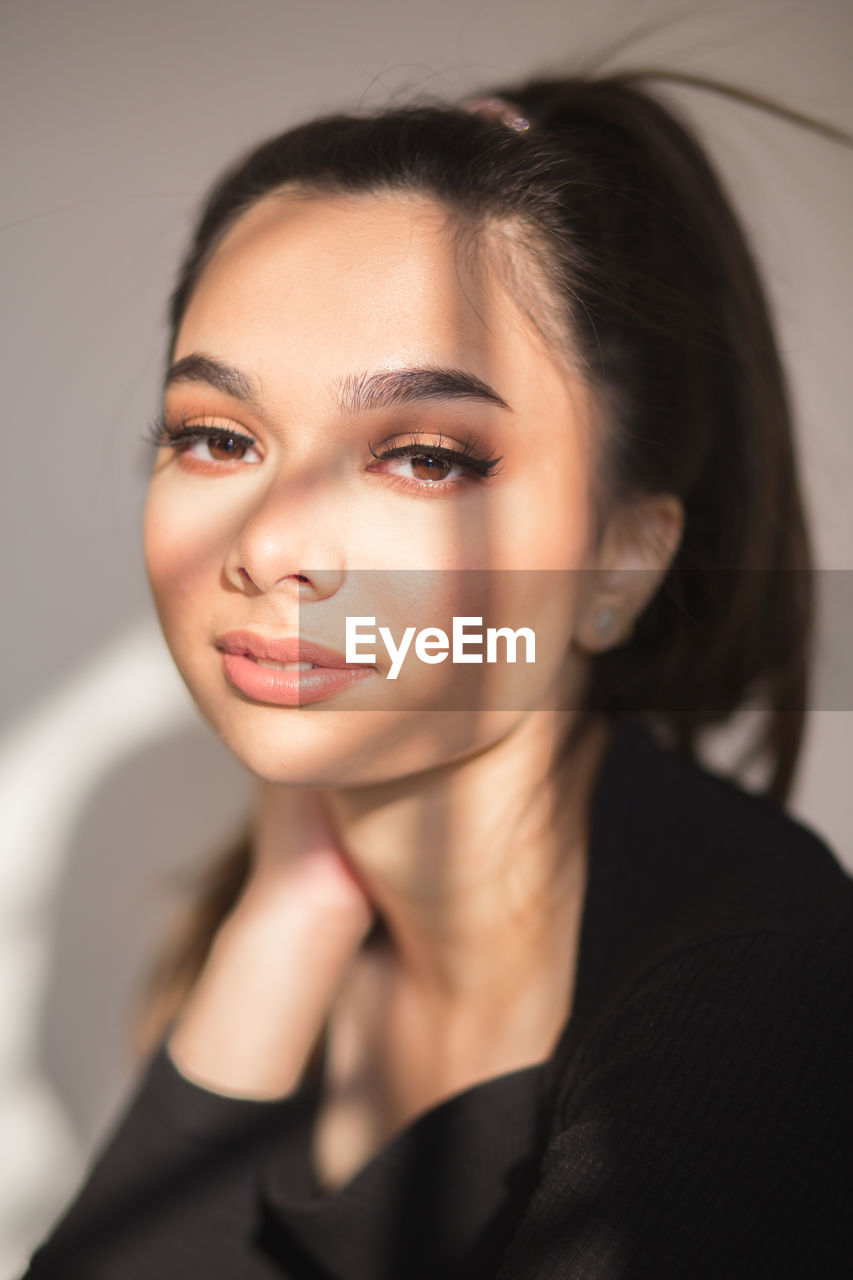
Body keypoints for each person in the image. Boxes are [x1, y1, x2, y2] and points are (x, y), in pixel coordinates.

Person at [22, 68, 853, 1279]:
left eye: (423, 455)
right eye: (217, 437)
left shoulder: (745, 1004)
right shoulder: (258, 929)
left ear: (623, 558)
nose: (269, 547)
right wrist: (284, 918)